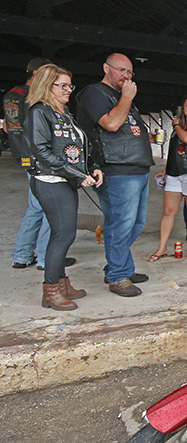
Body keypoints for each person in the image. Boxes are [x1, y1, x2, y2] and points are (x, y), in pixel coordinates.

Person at [24, 64, 103, 310]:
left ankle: (61, 283)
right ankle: (51, 291)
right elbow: (42, 152)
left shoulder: (63, 113)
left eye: (70, 85)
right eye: (63, 85)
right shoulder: (40, 112)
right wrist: (77, 175)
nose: (69, 90)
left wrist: (92, 167)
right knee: (63, 234)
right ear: (47, 86)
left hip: (66, 180)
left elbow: (78, 149)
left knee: (64, 234)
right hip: (51, 181)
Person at [77, 53, 155, 296]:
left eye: (130, 72)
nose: (126, 76)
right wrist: (127, 97)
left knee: (136, 223)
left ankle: (119, 266)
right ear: (106, 68)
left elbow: (126, 127)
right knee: (120, 224)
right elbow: (111, 124)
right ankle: (118, 276)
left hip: (137, 168)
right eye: (121, 70)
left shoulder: (121, 98)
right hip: (115, 169)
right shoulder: (94, 93)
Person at [5, 57, 64, 271]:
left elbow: (6, 126)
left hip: (24, 155)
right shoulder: (35, 98)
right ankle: (45, 258)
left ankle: (22, 254)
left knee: (36, 206)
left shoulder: (13, 94)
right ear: (38, 72)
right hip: (41, 158)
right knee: (50, 207)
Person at [148, 95, 187, 262]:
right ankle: (162, 248)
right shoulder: (180, 128)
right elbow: (175, 151)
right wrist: (165, 169)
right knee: (168, 211)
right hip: (174, 174)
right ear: (183, 108)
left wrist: (176, 125)